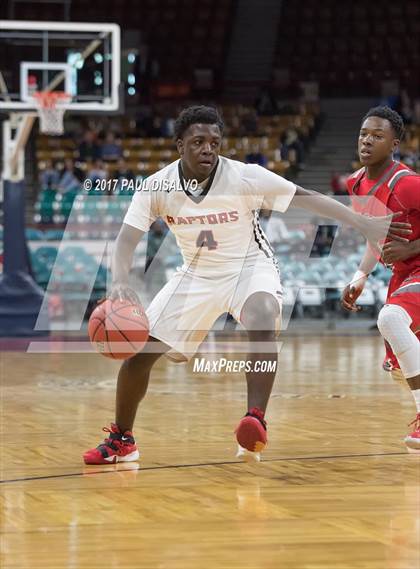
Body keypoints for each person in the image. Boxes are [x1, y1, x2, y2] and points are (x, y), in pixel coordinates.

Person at [83, 105, 410, 465]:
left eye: (214, 142)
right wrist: (118, 282)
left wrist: (361, 222)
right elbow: (127, 239)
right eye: (198, 142)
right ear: (180, 145)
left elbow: (308, 197)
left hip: (250, 267)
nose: (208, 149)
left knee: (263, 316)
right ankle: (122, 440)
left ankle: (255, 419)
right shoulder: (156, 187)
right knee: (139, 355)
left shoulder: (245, 177)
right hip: (196, 273)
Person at [341, 106, 420, 453]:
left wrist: (411, 247)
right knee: (397, 368)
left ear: (395, 144)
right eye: (363, 134)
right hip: (402, 275)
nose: (367, 141)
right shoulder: (355, 183)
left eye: (377, 136)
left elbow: (400, 247)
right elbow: (375, 239)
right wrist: (360, 276)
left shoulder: (408, 185)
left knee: (390, 318)